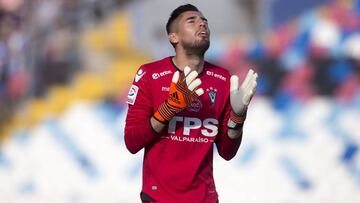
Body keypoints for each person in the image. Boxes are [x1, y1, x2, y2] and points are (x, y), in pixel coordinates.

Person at [124, 4, 258, 203]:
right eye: (192, 21)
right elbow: (132, 142)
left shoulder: (221, 79)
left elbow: (227, 152)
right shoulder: (149, 74)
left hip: (205, 198)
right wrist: (167, 110)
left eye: (204, 21)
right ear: (173, 37)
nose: (202, 23)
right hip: (159, 197)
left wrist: (237, 118)